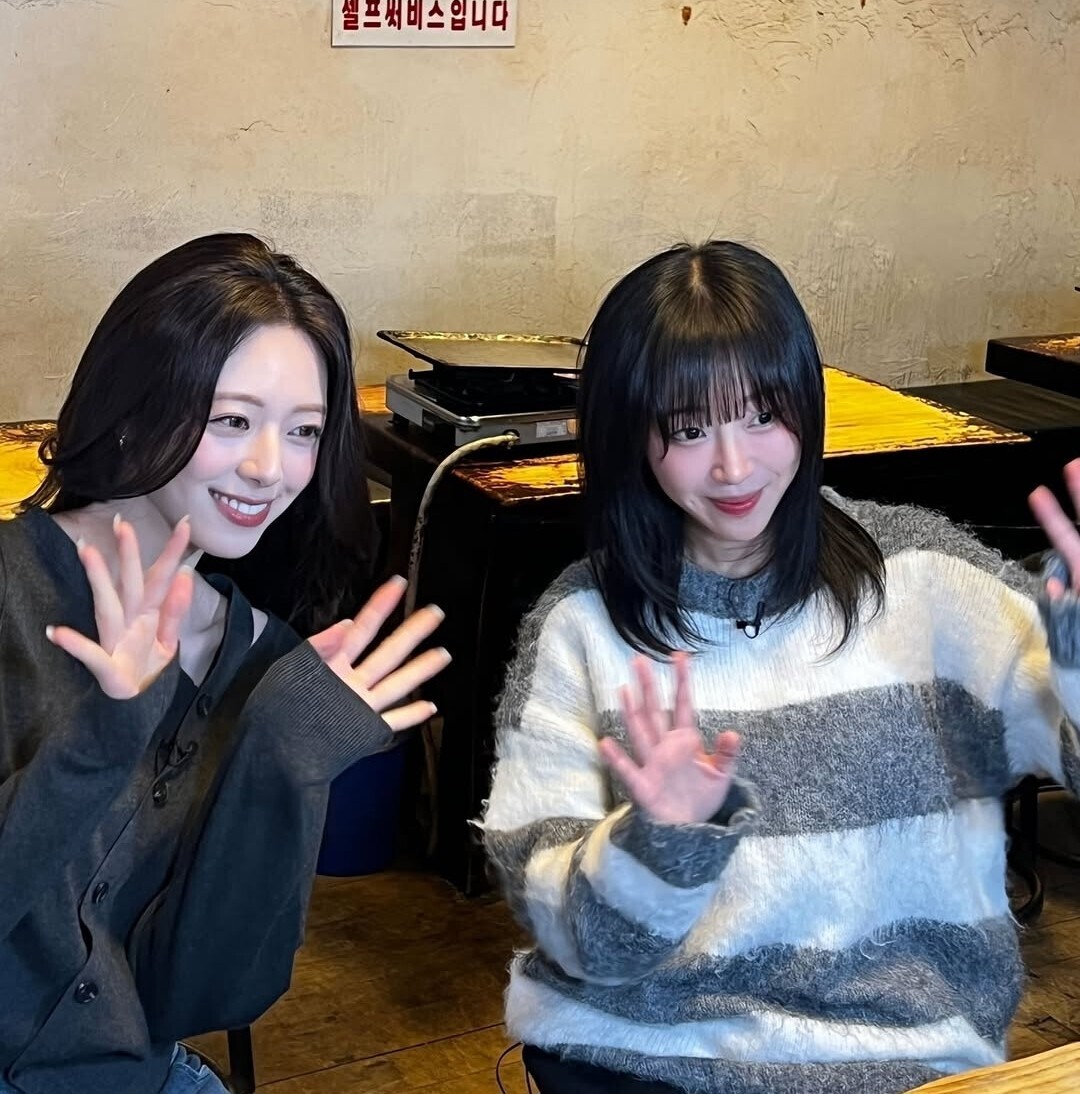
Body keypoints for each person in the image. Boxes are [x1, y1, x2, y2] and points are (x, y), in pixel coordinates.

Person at [482, 239, 1080, 1094]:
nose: (734, 466)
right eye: (689, 430)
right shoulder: (582, 626)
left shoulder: (927, 580)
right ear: (631, 437)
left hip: (898, 1064)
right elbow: (573, 941)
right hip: (643, 1060)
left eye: (763, 415)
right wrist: (659, 842)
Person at [0, 233, 450, 1094]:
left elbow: (206, 996)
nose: (268, 470)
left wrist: (280, 760)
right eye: (232, 420)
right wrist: (101, 741)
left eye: (303, 432)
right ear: (137, 404)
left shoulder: (261, 660)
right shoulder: (10, 587)